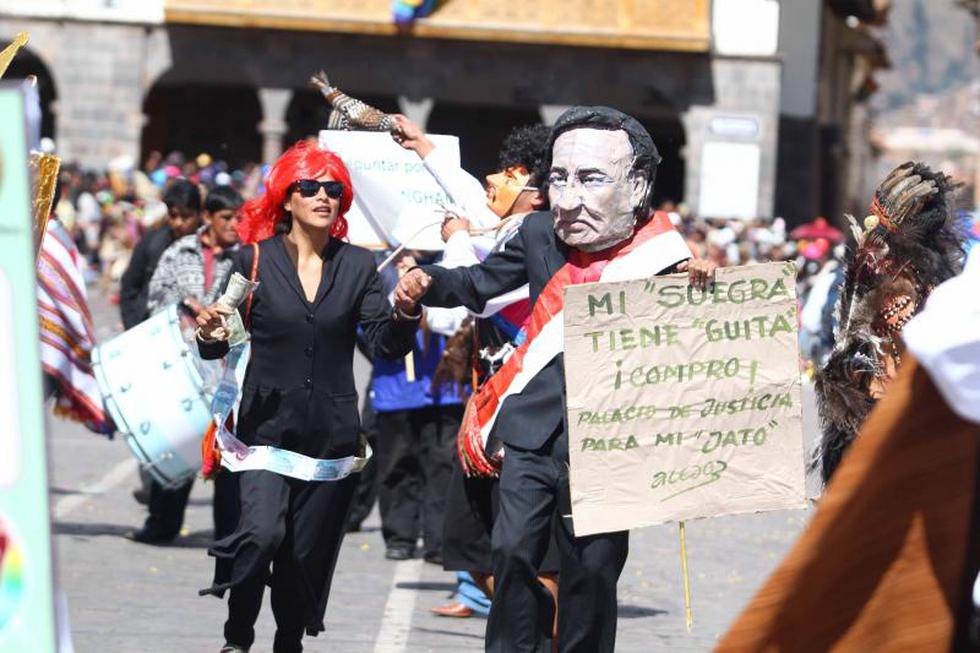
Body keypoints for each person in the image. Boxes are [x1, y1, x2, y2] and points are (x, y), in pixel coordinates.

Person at [396, 106, 716, 652]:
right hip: (532, 429)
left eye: (590, 179)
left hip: (611, 440)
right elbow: (479, 282)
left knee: (592, 569)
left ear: (636, 185)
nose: (568, 196)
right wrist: (428, 280)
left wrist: (700, 286)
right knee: (513, 552)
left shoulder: (663, 253)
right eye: (560, 178)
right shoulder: (539, 233)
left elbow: (693, 353)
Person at [194, 141, 419, 653]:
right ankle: (238, 636)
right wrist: (210, 332)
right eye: (309, 187)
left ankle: (288, 642)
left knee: (303, 554)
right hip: (263, 429)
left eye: (333, 188)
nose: (323, 196)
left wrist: (405, 310)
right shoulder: (251, 258)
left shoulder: (360, 267)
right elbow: (218, 338)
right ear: (286, 197)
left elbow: (383, 343)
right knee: (260, 534)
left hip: (330, 436)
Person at [391, 116, 562, 620]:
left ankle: (544, 632)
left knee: (530, 562)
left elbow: (482, 293)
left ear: (538, 194)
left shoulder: (541, 241)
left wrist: (458, 239)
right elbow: (467, 194)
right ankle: (524, 624)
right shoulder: (509, 226)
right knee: (477, 551)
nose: (494, 180)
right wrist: (421, 145)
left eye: (511, 174)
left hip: (527, 416)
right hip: (488, 414)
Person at [814, 162, 964, 482]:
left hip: (920, 413)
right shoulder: (873, 269)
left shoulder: (936, 274)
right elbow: (851, 338)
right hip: (874, 410)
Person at [127, 185, 245, 544]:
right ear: (207, 217)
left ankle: (229, 531)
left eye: (239, 218)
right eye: (227, 218)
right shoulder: (179, 251)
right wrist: (180, 314)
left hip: (227, 363)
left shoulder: (243, 258)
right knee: (176, 438)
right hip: (181, 362)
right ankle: (162, 522)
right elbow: (155, 296)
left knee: (226, 447)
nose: (234, 225)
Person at [372, 251, 467, 563]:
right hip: (397, 386)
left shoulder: (457, 258)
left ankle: (439, 538)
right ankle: (400, 536)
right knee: (397, 463)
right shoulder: (382, 268)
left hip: (445, 388)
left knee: (443, 465)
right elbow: (368, 327)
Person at [118, 179, 201, 329]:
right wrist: (131, 324)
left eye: (186, 216)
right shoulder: (152, 242)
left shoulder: (207, 247)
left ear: (199, 214)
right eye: (173, 216)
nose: (178, 223)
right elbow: (130, 285)